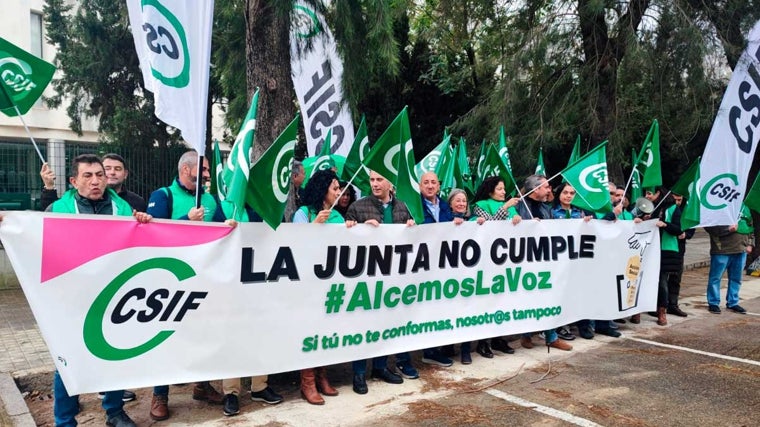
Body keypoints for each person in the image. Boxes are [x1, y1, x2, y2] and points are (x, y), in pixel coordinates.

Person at [34, 154, 150, 427]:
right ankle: (64, 420)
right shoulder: (58, 211)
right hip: (71, 302)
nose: (96, 181)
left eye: (99, 175)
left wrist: (143, 224)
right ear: (74, 181)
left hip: (113, 297)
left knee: (113, 356)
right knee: (67, 361)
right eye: (88, 176)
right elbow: (36, 241)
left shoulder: (123, 210)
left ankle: (115, 412)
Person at [146, 151, 228, 421]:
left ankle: (201, 386)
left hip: (203, 277)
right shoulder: (163, 196)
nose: (207, 175)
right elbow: (150, 233)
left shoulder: (210, 198)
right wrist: (185, 221)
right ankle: (160, 394)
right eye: (203, 170)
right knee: (166, 337)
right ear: (186, 170)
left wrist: (229, 226)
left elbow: (220, 229)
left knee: (201, 334)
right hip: (170, 280)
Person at [345, 170, 417, 394]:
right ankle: (358, 373)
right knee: (363, 324)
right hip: (366, 279)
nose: (375, 184)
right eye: (372, 180)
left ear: (390, 183)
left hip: (393, 278)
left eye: (379, 180)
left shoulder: (402, 207)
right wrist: (356, 228)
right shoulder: (358, 207)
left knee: (386, 323)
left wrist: (413, 228)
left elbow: (413, 240)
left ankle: (380, 367)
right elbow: (343, 241)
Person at [292, 170, 356, 404]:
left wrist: (352, 228)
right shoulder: (303, 214)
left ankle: (322, 376)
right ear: (322, 189)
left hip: (331, 283)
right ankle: (306, 382)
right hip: (308, 284)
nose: (339, 192)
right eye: (335, 188)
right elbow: (294, 246)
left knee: (325, 330)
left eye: (339, 189)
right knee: (310, 331)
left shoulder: (338, 217)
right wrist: (314, 226)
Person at [515, 174, 573, 351]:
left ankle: (551, 336)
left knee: (548, 298)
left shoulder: (547, 209)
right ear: (535, 189)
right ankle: (526, 335)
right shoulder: (518, 205)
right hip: (523, 262)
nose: (549, 190)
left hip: (544, 261)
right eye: (546, 187)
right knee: (526, 300)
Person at [470, 176, 520, 357]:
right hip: (486, 262)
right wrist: (505, 208)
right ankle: (483, 342)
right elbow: (489, 224)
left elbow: (516, 222)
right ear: (490, 190)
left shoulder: (511, 206)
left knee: (502, 301)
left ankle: (499, 339)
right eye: (499, 189)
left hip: (505, 261)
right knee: (486, 303)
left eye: (504, 189)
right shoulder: (480, 205)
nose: (504, 192)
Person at [440, 188, 484, 364]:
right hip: (449, 275)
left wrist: (479, 222)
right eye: (457, 200)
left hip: (468, 275)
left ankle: (465, 350)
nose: (461, 204)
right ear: (450, 203)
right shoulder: (444, 220)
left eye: (464, 201)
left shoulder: (472, 220)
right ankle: (448, 346)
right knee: (449, 311)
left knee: (467, 311)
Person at [417, 172, 455, 367]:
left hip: (443, 266)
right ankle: (428, 350)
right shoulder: (414, 205)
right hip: (423, 265)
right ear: (420, 185)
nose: (430, 186)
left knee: (439, 308)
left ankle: (436, 348)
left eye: (433, 182)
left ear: (438, 186)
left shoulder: (445, 206)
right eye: (426, 183)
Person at [550, 183, 597, 340]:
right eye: (565, 192)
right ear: (559, 194)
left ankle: (583, 325)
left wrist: (589, 223)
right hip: (559, 260)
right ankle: (561, 326)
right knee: (561, 293)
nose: (568, 196)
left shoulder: (580, 212)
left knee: (579, 292)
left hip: (578, 260)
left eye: (572, 193)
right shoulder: (552, 212)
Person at [705, 209, 754, 315]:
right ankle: (713, 302)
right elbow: (709, 226)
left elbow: (750, 226)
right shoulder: (718, 206)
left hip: (741, 250)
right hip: (722, 250)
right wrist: (728, 229)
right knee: (715, 277)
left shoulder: (743, 207)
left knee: (736, 278)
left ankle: (733, 302)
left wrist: (750, 243)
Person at [666, 193, 694, 317]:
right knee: (662, 279)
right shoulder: (666, 208)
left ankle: (673, 304)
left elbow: (691, 226)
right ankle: (660, 305)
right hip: (665, 248)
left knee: (676, 278)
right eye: (675, 199)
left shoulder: (686, 209)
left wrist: (686, 234)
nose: (677, 202)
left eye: (680, 199)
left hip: (679, 248)